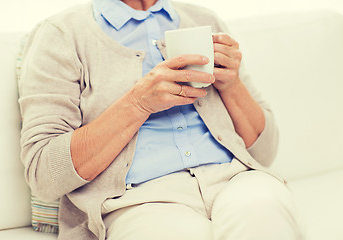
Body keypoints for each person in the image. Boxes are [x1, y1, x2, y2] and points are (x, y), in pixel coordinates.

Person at [19, 0, 304, 239]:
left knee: (266, 209)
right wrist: (137, 103)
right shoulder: (60, 34)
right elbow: (44, 175)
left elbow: (264, 153)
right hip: (138, 200)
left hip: (235, 179)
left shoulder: (204, 20)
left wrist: (232, 84)